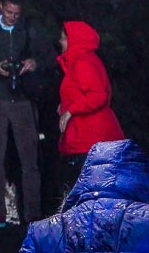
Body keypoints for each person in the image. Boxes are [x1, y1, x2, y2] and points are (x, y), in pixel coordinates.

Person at [0, 0, 49, 227]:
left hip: (24, 99)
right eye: (8, 12)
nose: (13, 17)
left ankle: (32, 214)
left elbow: (50, 56)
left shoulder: (29, 28)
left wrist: (34, 62)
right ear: (1, 7)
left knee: (29, 159)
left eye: (17, 13)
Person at [56, 20, 125, 191]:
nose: (60, 42)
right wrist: (64, 105)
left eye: (64, 39)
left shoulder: (83, 62)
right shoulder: (83, 61)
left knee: (92, 193)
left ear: (74, 41)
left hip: (92, 139)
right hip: (87, 138)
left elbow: (98, 95)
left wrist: (70, 111)